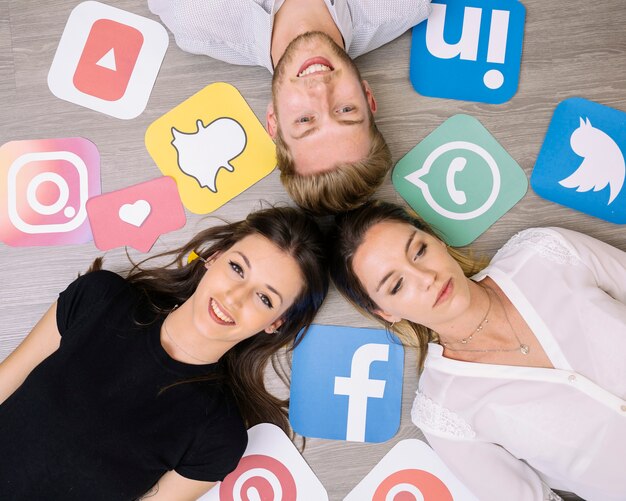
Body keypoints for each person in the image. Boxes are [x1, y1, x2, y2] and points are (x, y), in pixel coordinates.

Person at [0, 207, 329, 501]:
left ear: (276, 323)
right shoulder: (99, 298)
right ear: (213, 257)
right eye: (237, 268)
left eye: (265, 298)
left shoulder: (218, 435)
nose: (234, 297)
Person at [329, 200, 626, 501]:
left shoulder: (546, 253)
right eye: (396, 285)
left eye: (419, 251)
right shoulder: (445, 412)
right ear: (385, 313)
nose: (426, 278)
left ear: (437, 240)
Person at [148, 0, 432, 214]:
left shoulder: (194, 17)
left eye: (306, 120)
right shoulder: (402, 5)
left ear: (273, 120)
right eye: (346, 111)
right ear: (367, 97)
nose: (321, 89)